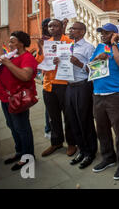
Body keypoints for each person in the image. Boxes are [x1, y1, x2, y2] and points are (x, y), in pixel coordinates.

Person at [90, 23, 119, 180]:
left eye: (107, 33)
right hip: (98, 94)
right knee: (102, 129)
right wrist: (96, 58)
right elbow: (89, 69)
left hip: (115, 95)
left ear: (114, 34)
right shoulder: (99, 47)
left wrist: (114, 43)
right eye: (101, 33)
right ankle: (108, 157)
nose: (103, 35)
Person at [0, 31, 38, 171]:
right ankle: (19, 151)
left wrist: (7, 63)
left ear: (22, 43)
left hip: (18, 99)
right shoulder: (11, 56)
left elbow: (25, 76)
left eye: (12, 41)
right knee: (12, 125)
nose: (9, 44)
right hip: (6, 97)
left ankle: (28, 156)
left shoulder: (28, 57)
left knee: (22, 128)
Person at [36, 19, 77, 157]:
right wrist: (41, 49)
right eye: (50, 26)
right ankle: (56, 142)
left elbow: (74, 62)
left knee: (68, 115)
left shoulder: (69, 42)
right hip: (48, 85)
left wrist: (63, 60)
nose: (52, 28)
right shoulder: (45, 44)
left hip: (64, 84)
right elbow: (39, 63)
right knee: (53, 117)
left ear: (61, 27)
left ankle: (72, 143)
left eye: (55, 25)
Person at [63, 21, 98, 169]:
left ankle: (90, 152)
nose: (70, 30)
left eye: (74, 29)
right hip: (69, 87)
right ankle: (82, 150)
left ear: (82, 32)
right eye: (70, 28)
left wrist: (79, 64)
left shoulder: (88, 48)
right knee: (72, 120)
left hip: (83, 86)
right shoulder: (66, 47)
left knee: (85, 120)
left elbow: (94, 71)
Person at [41, 17, 52, 139]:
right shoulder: (44, 41)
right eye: (49, 26)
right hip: (48, 79)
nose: (52, 28)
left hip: (62, 79)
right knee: (49, 108)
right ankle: (48, 129)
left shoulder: (62, 39)